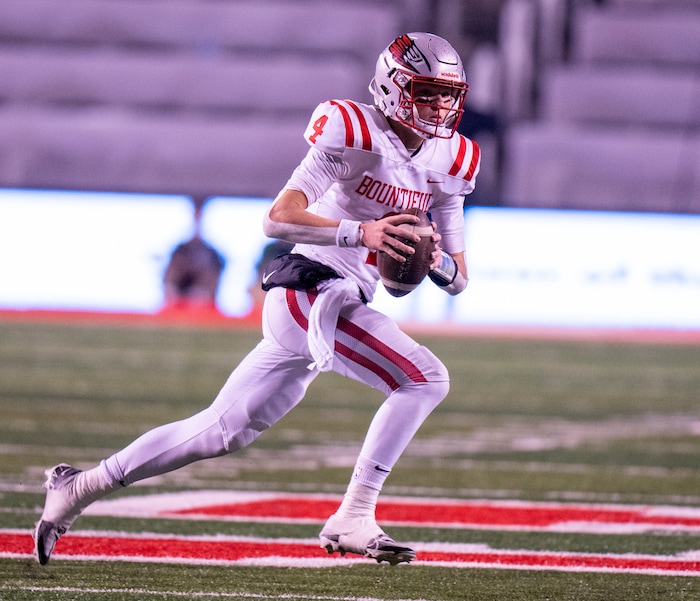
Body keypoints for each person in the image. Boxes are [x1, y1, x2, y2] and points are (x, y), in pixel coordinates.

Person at [33, 32, 480, 566]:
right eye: (426, 92)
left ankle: (77, 487)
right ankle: (355, 514)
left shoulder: (452, 159)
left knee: (221, 430)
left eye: (446, 94)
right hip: (311, 288)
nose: (438, 106)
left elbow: (459, 280)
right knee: (425, 378)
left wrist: (434, 262)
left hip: (340, 299)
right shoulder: (354, 130)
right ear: (392, 86)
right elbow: (278, 217)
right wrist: (361, 235)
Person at [162, 205, 225, 311]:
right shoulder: (180, 250)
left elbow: (214, 281)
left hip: (202, 301)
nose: (197, 224)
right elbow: (169, 279)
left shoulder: (212, 254)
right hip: (178, 300)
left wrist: (202, 294)